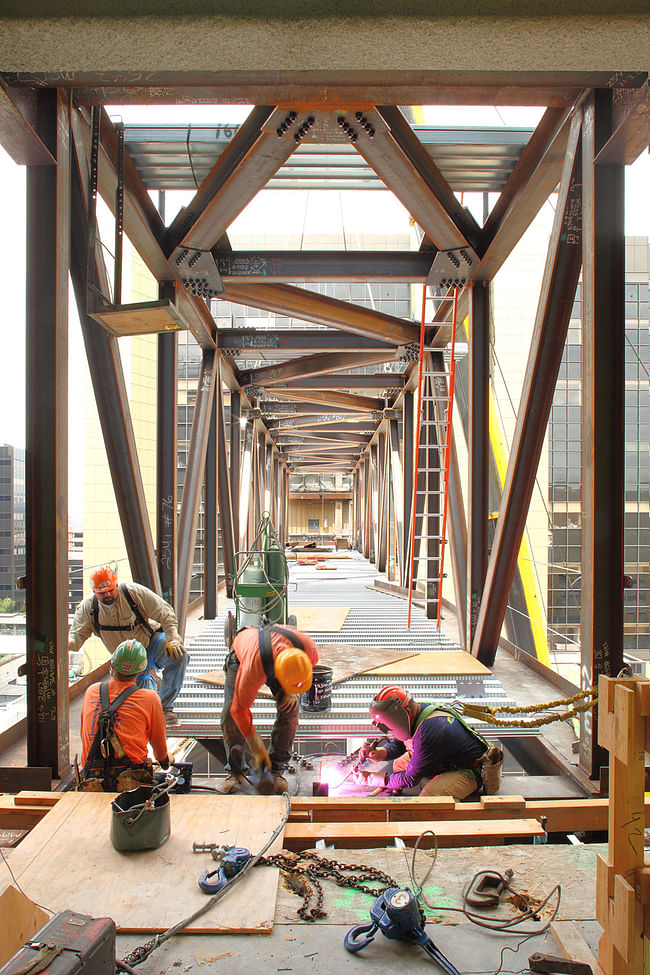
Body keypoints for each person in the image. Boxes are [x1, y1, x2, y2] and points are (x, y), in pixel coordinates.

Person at [68, 565, 188, 727]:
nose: (108, 595)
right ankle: (151, 692)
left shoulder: (133, 593)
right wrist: (62, 645)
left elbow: (164, 612)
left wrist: (173, 636)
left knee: (179, 656)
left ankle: (165, 707)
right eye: (102, 593)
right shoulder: (88, 608)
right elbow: (76, 638)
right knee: (139, 711)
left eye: (111, 590)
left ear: (116, 585)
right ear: (94, 592)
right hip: (127, 662)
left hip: (149, 646)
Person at [221, 623, 319, 794]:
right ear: (279, 676)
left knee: (290, 710)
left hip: (277, 655)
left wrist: (290, 692)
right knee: (230, 713)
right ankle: (235, 771)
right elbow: (239, 710)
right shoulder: (253, 669)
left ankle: (276, 770)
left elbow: (302, 675)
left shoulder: (308, 648)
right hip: (244, 653)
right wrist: (258, 749)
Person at [352, 684, 492, 801]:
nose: (389, 730)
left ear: (404, 714)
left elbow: (410, 779)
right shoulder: (415, 714)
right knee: (399, 764)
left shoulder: (430, 730)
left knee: (430, 796)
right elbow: (400, 742)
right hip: (442, 758)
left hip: (469, 770)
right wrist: (381, 753)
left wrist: (370, 778)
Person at [78, 639, 170, 792]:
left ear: (112, 665)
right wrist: (165, 761)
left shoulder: (92, 691)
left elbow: (85, 735)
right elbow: (159, 749)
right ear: (140, 671)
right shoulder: (149, 698)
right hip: (130, 781)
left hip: (91, 779)